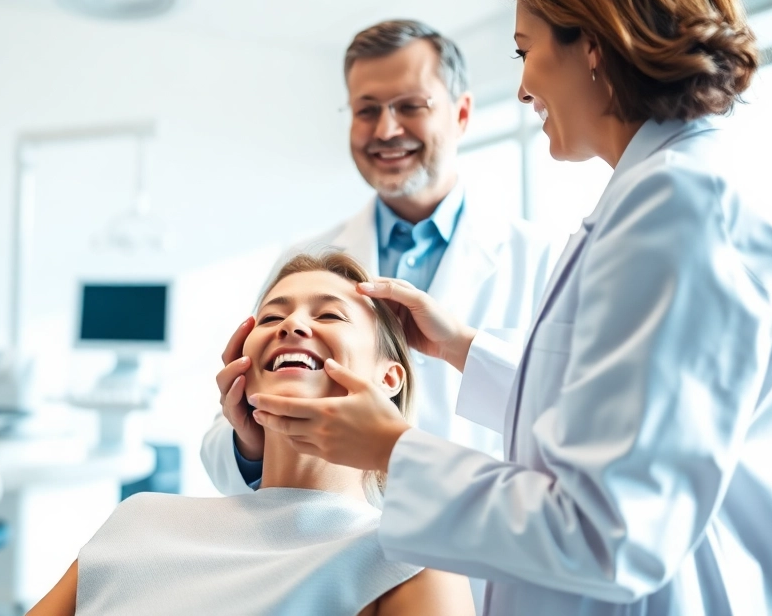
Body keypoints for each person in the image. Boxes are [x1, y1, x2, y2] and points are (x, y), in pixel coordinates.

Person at [248, 0, 772, 615]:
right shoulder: (652, 200)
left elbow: (609, 535)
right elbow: (608, 415)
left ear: (592, 43)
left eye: (525, 51)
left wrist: (394, 451)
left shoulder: (679, 208)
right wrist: (465, 348)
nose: (522, 87)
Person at [202, 20, 558, 497]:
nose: (386, 130)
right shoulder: (306, 264)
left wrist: (468, 352)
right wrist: (251, 443)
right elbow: (225, 444)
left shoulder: (541, 261)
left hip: (478, 554)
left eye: (410, 106)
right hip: (332, 553)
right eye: (366, 110)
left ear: (462, 114)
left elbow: (573, 423)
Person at [26, 252, 476, 616]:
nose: (291, 326)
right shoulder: (139, 519)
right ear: (243, 367)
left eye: (330, 315)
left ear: (390, 378)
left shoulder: (409, 561)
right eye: (270, 318)